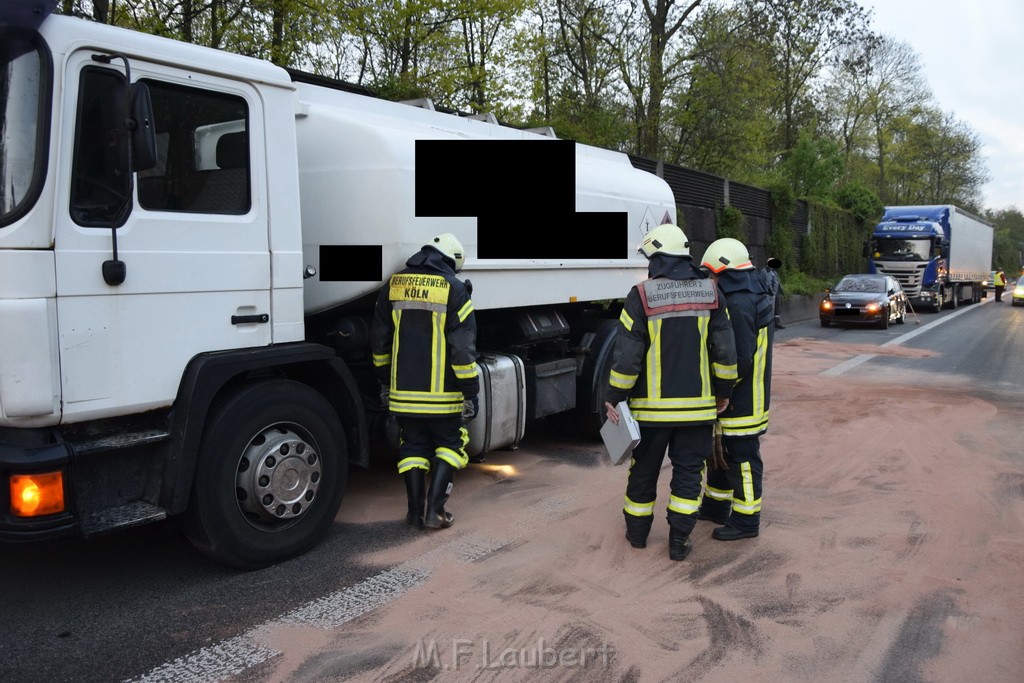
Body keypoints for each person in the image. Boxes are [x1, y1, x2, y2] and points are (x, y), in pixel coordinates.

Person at [604, 223, 737, 561]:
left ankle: (637, 535)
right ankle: (679, 541)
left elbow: (627, 357)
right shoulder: (711, 293)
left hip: (650, 414)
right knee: (690, 474)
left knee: (644, 471)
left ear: (658, 257)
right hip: (697, 412)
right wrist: (723, 392)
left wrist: (615, 396)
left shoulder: (642, 295)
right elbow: (724, 352)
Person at [371, 233, 480, 530]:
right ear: (451, 260)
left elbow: (380, 342)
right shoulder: (455, 289)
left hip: (403, 393)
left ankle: (414, 514)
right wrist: (471, 393)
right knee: (449, 445)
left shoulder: (393, 285)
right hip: (443, 395)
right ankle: (436, 512)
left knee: (412, 448)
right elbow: (462, 352)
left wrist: (385, 381)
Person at [697, 238, 775, 541]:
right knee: (722, 453)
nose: (709, 280)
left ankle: (746, 520)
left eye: (711, 274)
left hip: (742, 400)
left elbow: (739, 357)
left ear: (723, 271)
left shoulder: (739, 302)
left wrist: (722, 390)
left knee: (742, 457)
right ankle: (716, 506)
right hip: (744, 394)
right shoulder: (748, 292)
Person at [764, 256, 785, 330]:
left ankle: (777, 323)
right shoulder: (766, 271)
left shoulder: (775, 272)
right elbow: (768, 283)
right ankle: (771, 325)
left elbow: (777, 282)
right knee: (771, 309)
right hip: (772, 294)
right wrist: (772, 292)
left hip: (777, 293)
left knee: (777, 309)